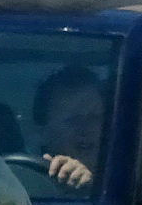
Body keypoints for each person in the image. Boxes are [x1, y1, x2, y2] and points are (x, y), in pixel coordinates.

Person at [33, 63, 104, 192]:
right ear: (43, 133)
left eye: (95, 117)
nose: (86, 128)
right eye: (73, 119)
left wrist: (89, 189)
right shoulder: (21, 188)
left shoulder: (128, 183)